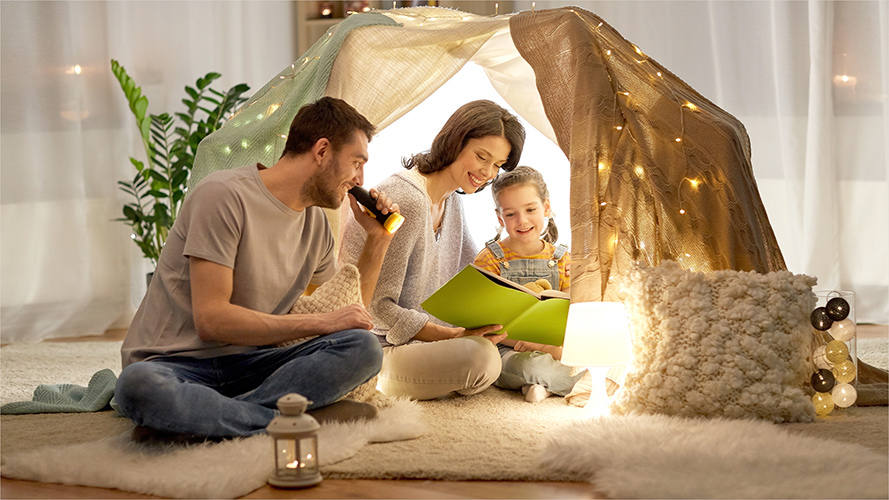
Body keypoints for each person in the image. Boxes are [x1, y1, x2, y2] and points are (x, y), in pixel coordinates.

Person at [115, 97, 400, 440]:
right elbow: (212, 321)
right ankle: (287, 420)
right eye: (356, 162)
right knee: (138, 386)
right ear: (322, 150)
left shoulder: (317, 225)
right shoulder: (223, 196)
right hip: (174, 364)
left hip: (254, 367)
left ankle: (201, 421)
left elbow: (348, 315)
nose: (360, 178)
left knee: (363, 348)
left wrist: (378, 240)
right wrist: (323, 322)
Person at [337, 100, 526, 400]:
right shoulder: (407, 200)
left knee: (492, 351)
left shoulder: (452, 201)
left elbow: (475, 273)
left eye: (497, 165)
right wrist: (454, 335)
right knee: (482, 360)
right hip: (378, 348)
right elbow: (377, 309)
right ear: (455, 141)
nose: (488, 172)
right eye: (482, 157)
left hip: (424, 344)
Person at [473, 165, 582, 403]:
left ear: (546, 207)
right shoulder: (489, 259)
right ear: (500, 217)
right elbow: (485, 323)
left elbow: (568, 315)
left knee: (591, 358)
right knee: (530, 366)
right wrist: (530, 344)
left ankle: (544, 386)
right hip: (507, 350)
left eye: (530, 209)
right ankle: (550, 382)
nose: (522, 221)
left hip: (554, 349)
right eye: (510, 214)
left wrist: (575, 282)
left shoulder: (563, 258)